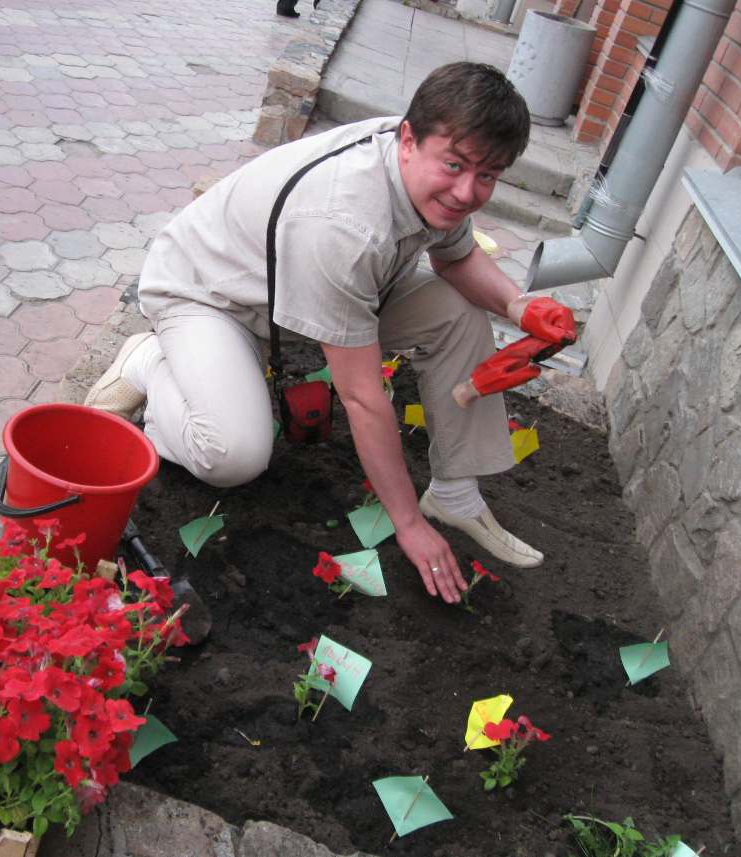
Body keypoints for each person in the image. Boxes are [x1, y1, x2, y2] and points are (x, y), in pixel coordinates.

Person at [83, 62, 575, 604]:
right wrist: (407, 525)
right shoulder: (344, 225)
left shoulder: (436, 158)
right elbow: (363, 397)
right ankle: (151, 361)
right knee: (234, 454)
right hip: (213, 298)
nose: (466, 191)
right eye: (456, 167)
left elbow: (456, 261)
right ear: (408, 139)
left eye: (488, 175)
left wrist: (519, 306)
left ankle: (455, 495)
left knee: (458, 314)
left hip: (301, 292)